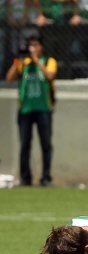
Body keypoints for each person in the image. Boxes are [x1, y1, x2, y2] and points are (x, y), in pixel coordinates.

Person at [6, 33, 56, 187]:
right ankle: (25, 178)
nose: (33, 48)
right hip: (25, 110)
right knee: (25, 145)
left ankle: (45, 177)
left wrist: (36, 60)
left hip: (43, 109)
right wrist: (18, 60)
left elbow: (50, 75)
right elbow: (9, 78)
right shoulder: (23, 63)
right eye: (31, 45)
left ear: (41, 46)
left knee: (46, 144)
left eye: (36, 45)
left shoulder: (48, 61)